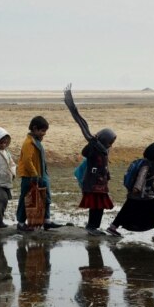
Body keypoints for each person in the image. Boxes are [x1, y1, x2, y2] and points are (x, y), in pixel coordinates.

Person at [64, 86, 117, 235]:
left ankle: (94, 226)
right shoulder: (94, 149)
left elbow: (104, 166)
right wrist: (92, 143)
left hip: (101, 183)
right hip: (93, 184)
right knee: (95, 206)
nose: (110, 145)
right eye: (110, 142)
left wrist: (107, 175)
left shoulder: (104, 150)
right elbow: (85, 152)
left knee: (99, 207)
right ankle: (91, 227)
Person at [107, 143, 154, 238]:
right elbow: (141, 177)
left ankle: (113, 227)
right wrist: (137, 188)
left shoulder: (149, 164)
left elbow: (150, 180)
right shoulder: (147, 165)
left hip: (138, 193)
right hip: (141, 194)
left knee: (126, 209)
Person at [16, 116, 59, 232]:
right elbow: (27, 160)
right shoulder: (28, 143)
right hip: (30, 177)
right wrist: (34, 174)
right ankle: (21, 223)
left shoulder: (36, 141)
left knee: (46, 197)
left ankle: (46, 221)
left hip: (42, 175)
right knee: (26, 199)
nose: (44, 134)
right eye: (42, 131)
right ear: (35, 129)